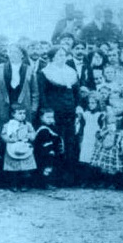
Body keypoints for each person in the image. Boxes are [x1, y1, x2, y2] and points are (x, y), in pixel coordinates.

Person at [38, 45, 82, 185]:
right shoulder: (45, 73)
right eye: (59, 55)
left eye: (64, 55)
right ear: (52, 58)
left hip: (70, 114)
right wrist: (46, 113)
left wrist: (78, 106)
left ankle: (68, 179)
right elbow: (42, 94)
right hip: (54, 115)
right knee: (55, 145)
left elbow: (77, 93)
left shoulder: (71, 72)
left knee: (69, 144)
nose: (62, 58)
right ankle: (52, 179)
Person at [1, 104, 37, 192]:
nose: (22, 115)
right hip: (13, 147)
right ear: (13, 114)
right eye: (19, 113)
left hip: (24, 147)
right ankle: (13, 184)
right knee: (13, 169)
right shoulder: (8, 125)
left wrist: (30, 136)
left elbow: (33, 133)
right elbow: (3, 134)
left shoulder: (27, 124)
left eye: (24, 113)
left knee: (25, 168)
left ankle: (24, 184)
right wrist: (10, 139)